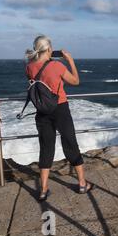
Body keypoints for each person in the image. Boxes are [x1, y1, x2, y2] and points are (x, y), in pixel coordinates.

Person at [25, 35, 94, 201]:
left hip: (41, 112)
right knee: (70, 143)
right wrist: (70, 60)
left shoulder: (29, 67)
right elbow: (76, 81)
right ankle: (82, 184)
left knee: (46, 148)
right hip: (60, 109)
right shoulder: (56, 65)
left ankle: (43, 189)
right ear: (49, 49)